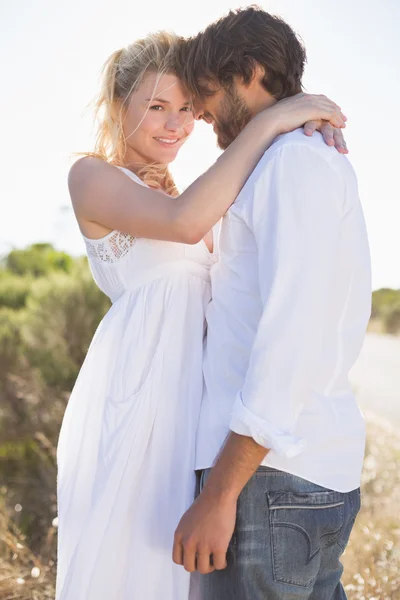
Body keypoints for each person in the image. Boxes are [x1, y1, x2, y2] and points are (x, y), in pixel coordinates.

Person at [55, 29, 347, 600]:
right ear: (119, 106)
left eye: (188, 109)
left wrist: (300, 126)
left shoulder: (183, 190)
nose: (176, 125)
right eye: (157, 107)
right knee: (133, 564)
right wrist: (276, 118)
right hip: (140, 398)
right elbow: (187, 225)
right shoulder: (91, 176)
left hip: (196, 411)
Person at [173, 7, 371, 600]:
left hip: (266, 482)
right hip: (293, 476)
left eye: (206, 93)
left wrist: (220, 493)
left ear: (249, 72)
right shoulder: (284, 160)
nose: (201, 113)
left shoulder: (294, 164)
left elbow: (295, 338)